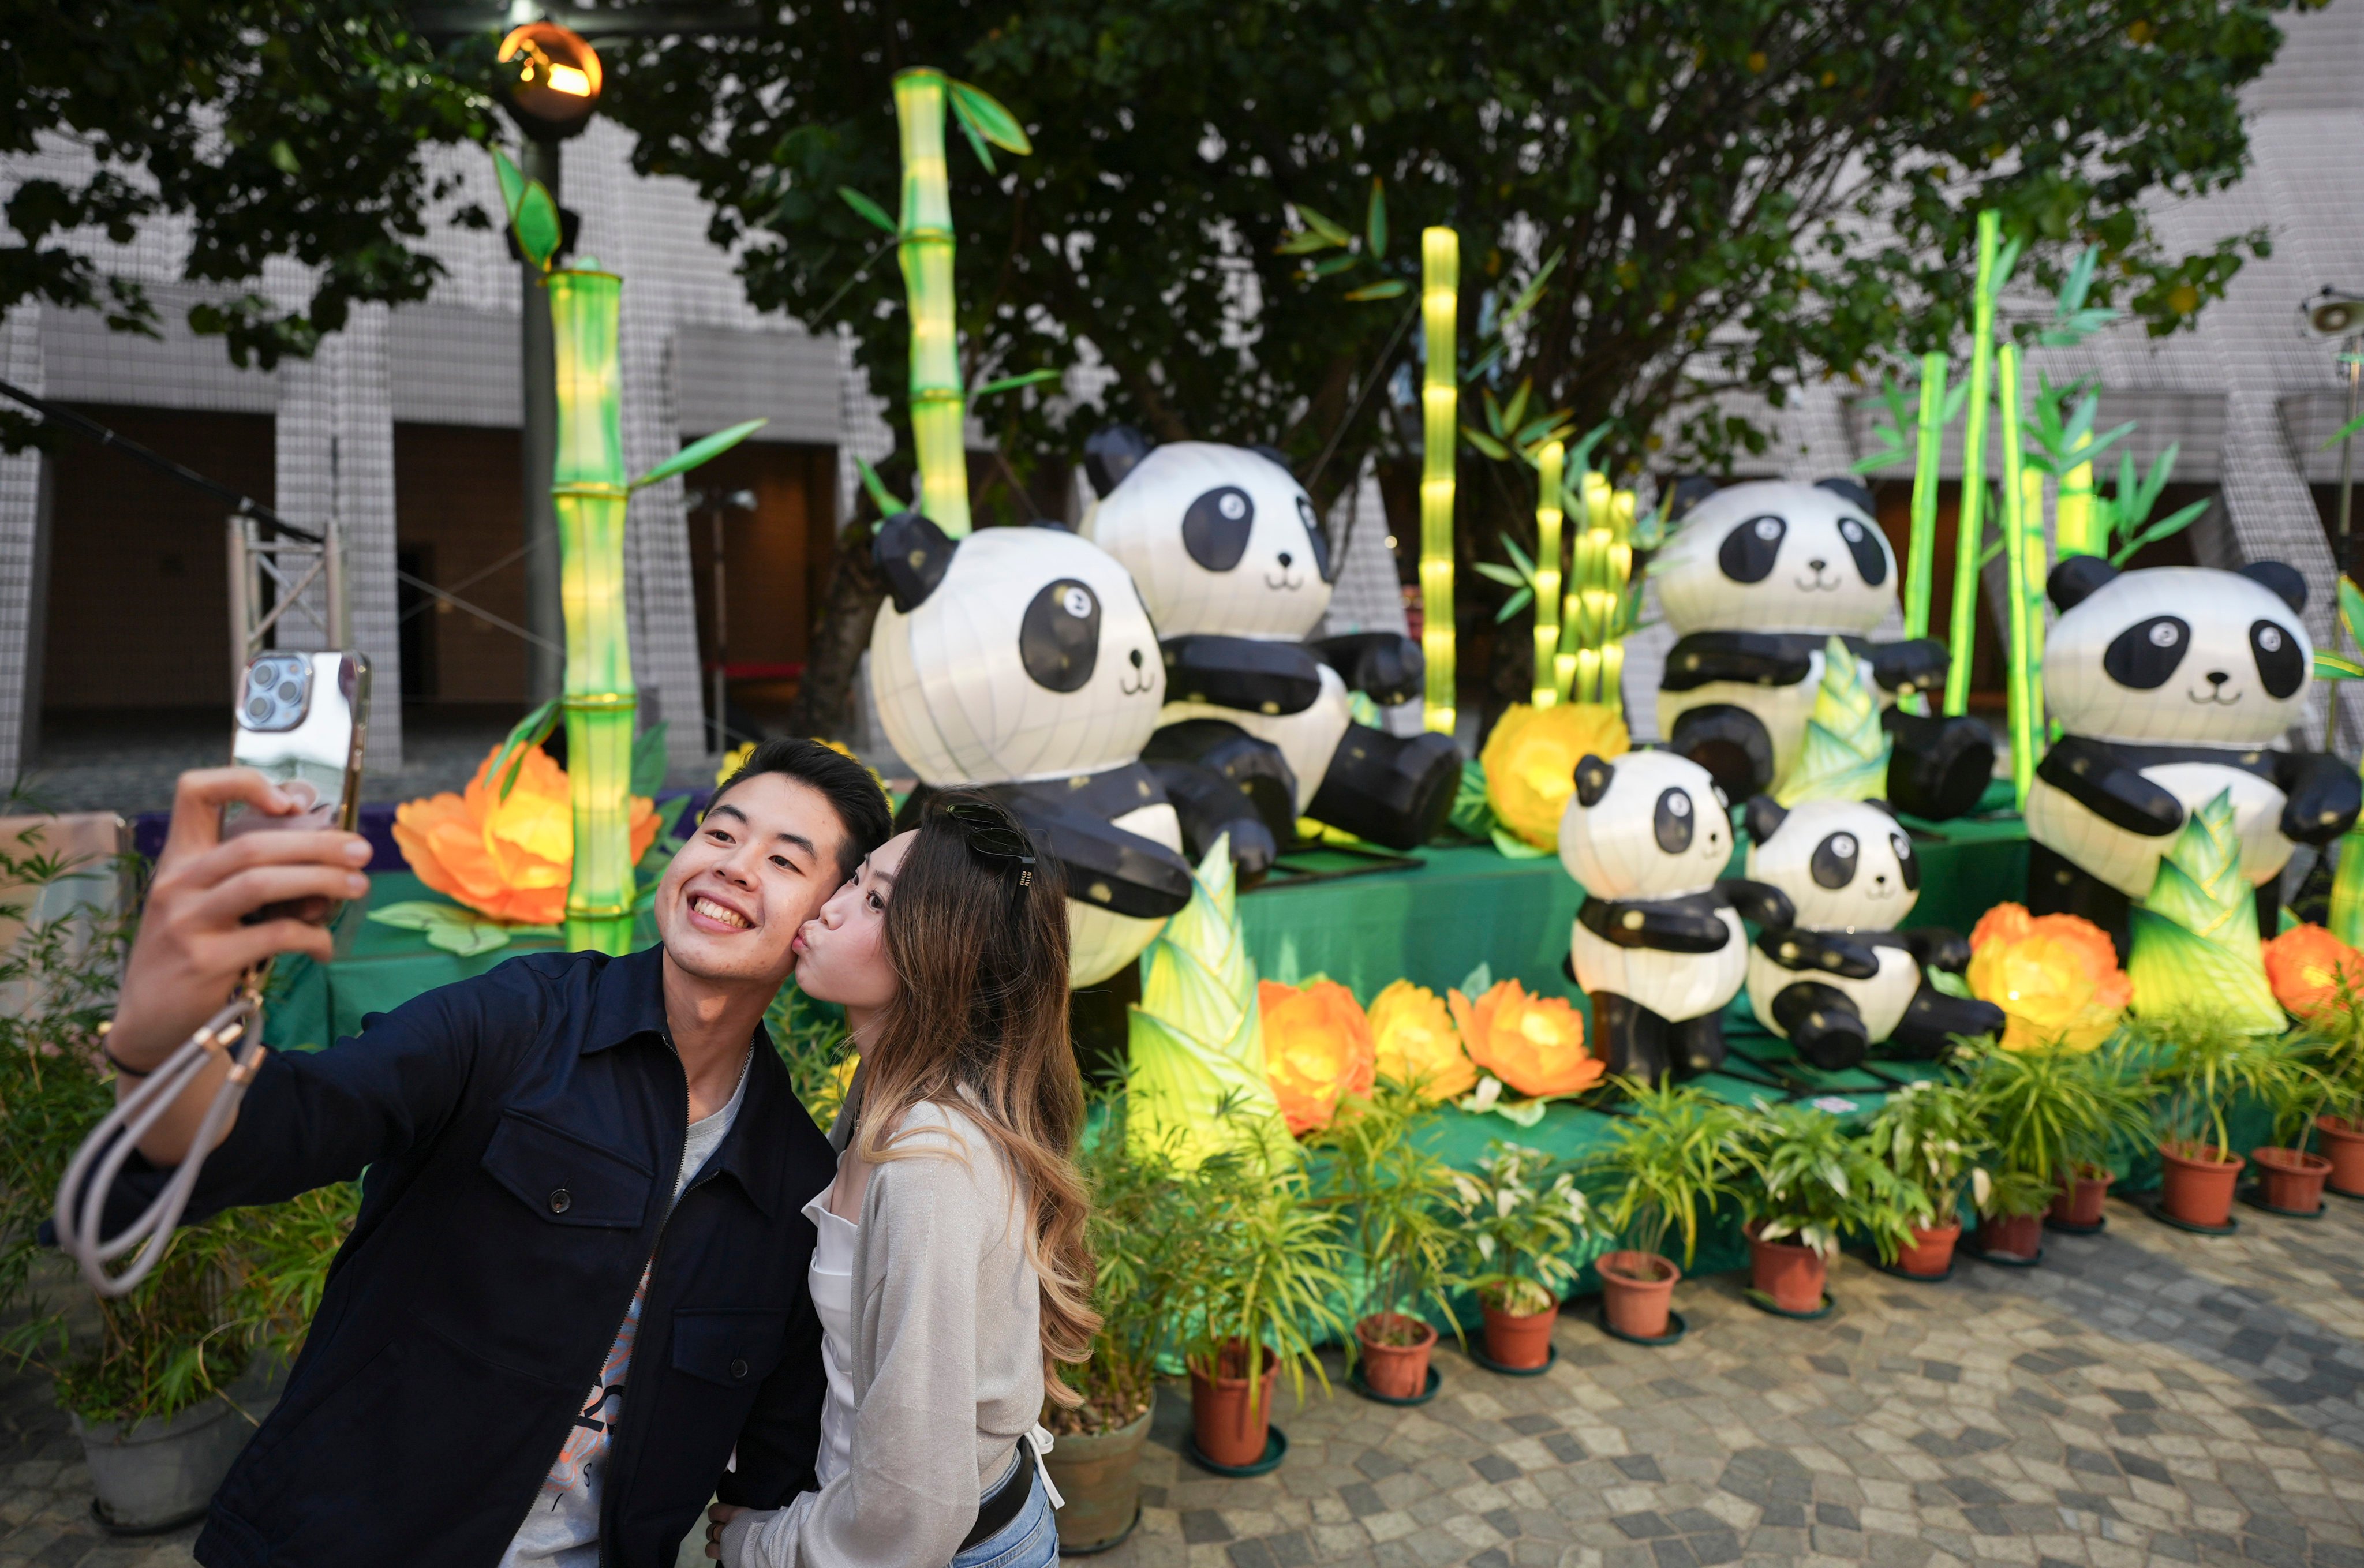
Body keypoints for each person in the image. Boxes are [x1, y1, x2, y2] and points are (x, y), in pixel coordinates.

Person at [92, 738, 892, 1568]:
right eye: (722, 834)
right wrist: (160, 1044)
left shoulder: (795, 1180)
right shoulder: (520, 1020)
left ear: (826, 916)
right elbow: (288, 1123)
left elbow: (772, 1473)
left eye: (785, 860)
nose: (733, 865)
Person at [706, 792, 1097, 1568]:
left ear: (936, 953)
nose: (831, 905)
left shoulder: (930, 1166)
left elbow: (913, 1513)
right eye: (855, 879)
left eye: (875, 898)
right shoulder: (889, 1094)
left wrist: (763, 1543)